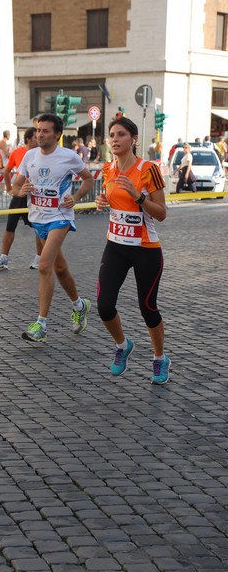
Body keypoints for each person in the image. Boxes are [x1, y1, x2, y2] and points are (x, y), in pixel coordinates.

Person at [95, 116, 170, 385]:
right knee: (104, 306)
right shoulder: (107, 170)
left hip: (145, 248)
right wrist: (101, 201)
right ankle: (122, 345)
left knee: (147, 307)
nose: (115, 139)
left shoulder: (147, 169)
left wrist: (139, 197)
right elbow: (113, 201)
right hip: (115, 245)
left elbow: (161, 213)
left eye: (121, 134)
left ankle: (160, 358)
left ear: (134, 139)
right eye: (112, 135)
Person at [12, 113, 94, 343]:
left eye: (45, 131)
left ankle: (41, 325)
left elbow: (88, 179)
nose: (39, 134)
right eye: (38, 130)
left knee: (44, 266)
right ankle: (80, 305)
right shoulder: (29, 156)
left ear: (57, 135)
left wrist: (75, 197)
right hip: (37, 219)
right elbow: (15, 186)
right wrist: (22, 190)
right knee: (59, 268)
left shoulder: (68, 156)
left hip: (60, 217)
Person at [0, 127, 43, 270]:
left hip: (34, 195)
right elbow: (6, 170)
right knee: (10, 225)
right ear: (28, 139)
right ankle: (4, 257)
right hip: (20, 193)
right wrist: (9, 188)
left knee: (38, 227)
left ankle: (39, 258)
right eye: (35, 137)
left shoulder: (41, 153)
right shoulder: (18, 152)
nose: (38, 139)